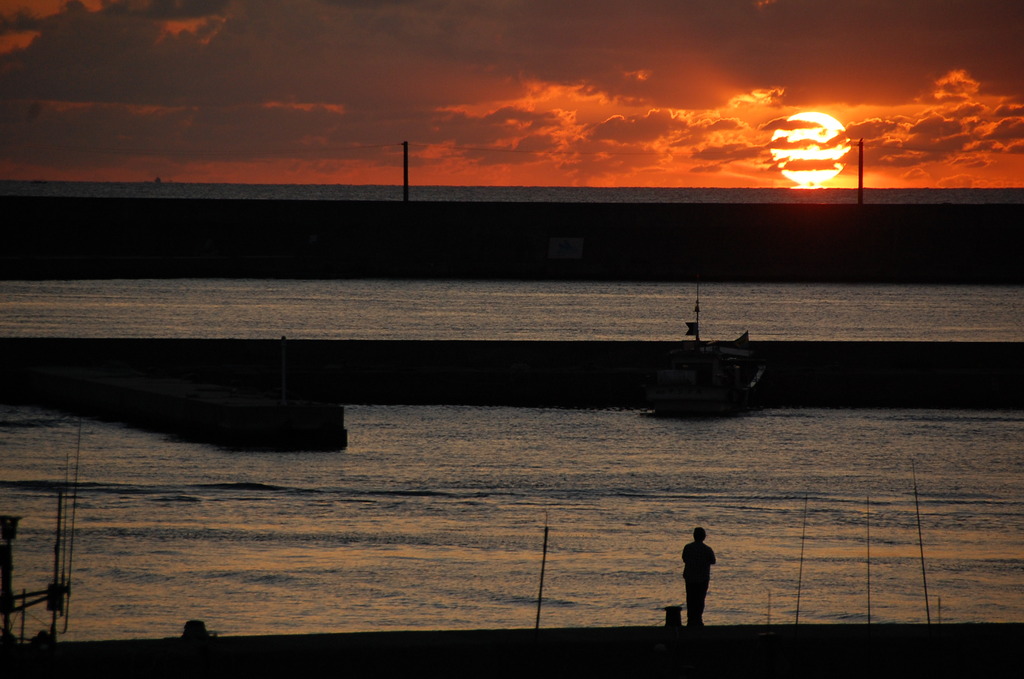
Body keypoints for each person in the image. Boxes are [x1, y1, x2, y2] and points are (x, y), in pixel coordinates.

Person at [681, 526, 716, 627]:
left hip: (690, 577)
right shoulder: (707, 549)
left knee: (690, 598)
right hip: (702, 578)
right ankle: (698, 620)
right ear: (703, 537)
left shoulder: (688, 547)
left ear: (694, 536)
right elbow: (713, 561)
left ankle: (690, 620)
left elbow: (684, 558)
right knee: (700, 599)